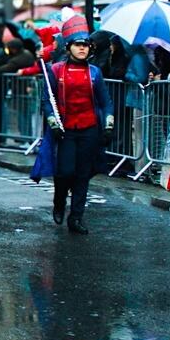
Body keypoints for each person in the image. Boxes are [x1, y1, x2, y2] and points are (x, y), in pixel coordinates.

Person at [31, 14, 114, 235]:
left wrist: (108, 125)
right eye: (78, 45)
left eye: (85, 46)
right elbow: (47, 100)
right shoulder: (56, 70)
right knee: (65, 172)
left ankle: (76, 217)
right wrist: (53, 122)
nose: (82, 49)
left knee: (83, 174)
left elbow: (106, 102)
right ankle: (59, 201)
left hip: (89, 130)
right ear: (69, 48)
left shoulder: (94, 72)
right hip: (65, 130)